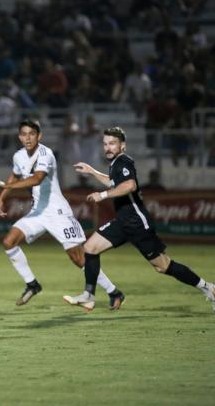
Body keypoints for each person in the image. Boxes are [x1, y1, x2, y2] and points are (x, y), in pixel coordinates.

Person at [64, 127, 215, 311]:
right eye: (105, 144)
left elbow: (129, 185)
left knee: (163, 266)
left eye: (112, 143)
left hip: (137, 223)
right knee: (90, 248)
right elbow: (114, 183)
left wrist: (102, 196)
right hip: (123, 222)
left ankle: (208, 287)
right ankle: (89, 295)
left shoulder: (124, 161)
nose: (108, 148)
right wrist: (92, 172)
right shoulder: (116, 164)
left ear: (123, 145)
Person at [0, 119, 125, 308]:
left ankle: (114, 292)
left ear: (39, 136)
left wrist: (7, 186)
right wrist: (1, 198)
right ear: (19, 137)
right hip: (38, 212)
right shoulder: (18, 156)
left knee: (78, 258)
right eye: (24, 134)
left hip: (58, 212)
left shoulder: (46, 154)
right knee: (8, 242)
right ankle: (32, 284)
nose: (27, 137)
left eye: (32, 134)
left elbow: (37, 179)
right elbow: (15, 174)